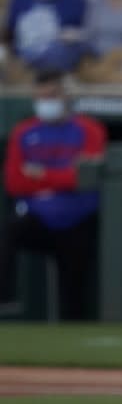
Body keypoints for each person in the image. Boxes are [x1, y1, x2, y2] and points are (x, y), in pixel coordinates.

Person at [0, 70, 107, 320]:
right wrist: (63, 176)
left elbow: (86, 177)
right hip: (38, 218)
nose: (46, 103)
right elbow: (15, 182)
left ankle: (75, 327)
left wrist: (41, 175)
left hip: (78, 218)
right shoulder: (24, 132)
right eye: (41, 97)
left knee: (74, 287)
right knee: (6, 234)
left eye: (52, 96)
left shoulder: (89, 129)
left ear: (65, 95)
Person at [2, 0, 91, 73]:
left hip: (61, 54)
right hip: (23, 57)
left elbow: (87, 35)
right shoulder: (20, 2)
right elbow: (9, 34)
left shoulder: (74, 3)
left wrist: (76, 36)